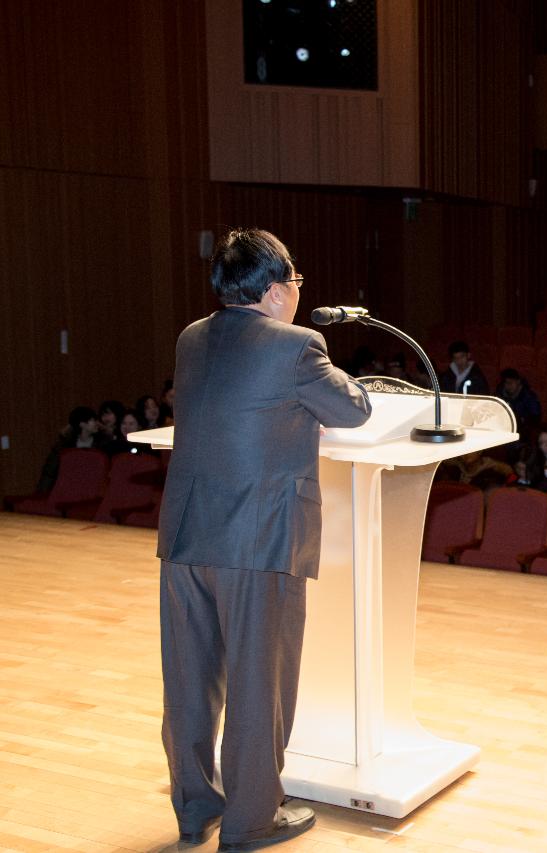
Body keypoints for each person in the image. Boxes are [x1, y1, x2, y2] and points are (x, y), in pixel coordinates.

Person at [157, 229, 372, 849]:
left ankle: (196, 807)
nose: (299, 295)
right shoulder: (299, 347)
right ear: (276, 291)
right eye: (296, 283)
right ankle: (251, 821)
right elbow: (353, 409)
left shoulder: (192, 337)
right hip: (259, 540)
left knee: (189, 680)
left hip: (187, 532)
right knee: (260, 681)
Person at [497, 368, 542, 437]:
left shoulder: (528, 397)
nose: (509, 386)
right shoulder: (500, 395)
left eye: (511, 382)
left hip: (523, 434)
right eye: (506, 382)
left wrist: (522, 421)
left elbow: (536, 417)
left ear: (518, 381)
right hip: (504, 432)